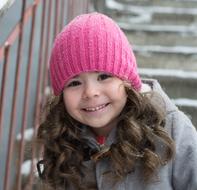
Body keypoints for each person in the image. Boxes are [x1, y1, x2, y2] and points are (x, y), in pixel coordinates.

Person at [36, 12, 197, 190]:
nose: (90, 92)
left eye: (103, 76)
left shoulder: (172, 130)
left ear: (127, 80)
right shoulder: (62, 143)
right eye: (74, 83)